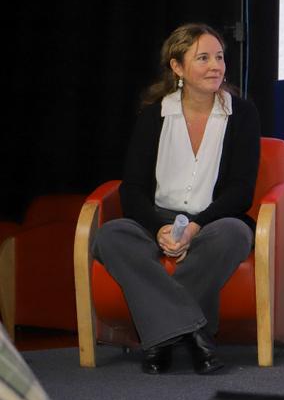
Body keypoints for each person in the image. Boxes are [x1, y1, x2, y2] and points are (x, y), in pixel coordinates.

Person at [92, 24, 261, 375]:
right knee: (110, 235)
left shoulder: (242, 114)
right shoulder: (155, 115)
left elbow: (241, 191)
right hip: (156, 219)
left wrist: (197, 226)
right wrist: (159, 230)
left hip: (212, 221)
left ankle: (159, 340)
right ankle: (196, 334)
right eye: (203, 58)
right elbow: (132, 189)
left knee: (235, 233)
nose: (216, 66)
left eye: (219, 57)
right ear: (177, 67)